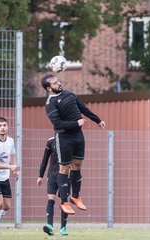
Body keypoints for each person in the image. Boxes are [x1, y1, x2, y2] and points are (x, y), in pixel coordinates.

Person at [41, 73, 105, 215]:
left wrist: (98, 120)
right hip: (64, 138)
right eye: (55, 83)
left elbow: (83, 108)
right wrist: (77, 122)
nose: (59, 83)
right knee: (64, 169)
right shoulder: (50, 104)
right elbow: (57, 124)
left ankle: (75, 196)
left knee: (77, 166)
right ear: (48, 89)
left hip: (78, 136)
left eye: (58, 81)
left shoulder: (70, 94)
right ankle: (64, 201)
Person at [37, 137, 69, 236]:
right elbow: (45, 159)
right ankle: (49, 226)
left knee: (64, 201)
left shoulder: (70, 141)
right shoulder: (51, 141)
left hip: (65, 177)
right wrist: (40, 176)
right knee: (51, 198)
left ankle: (63, 227)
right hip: (52, 176)